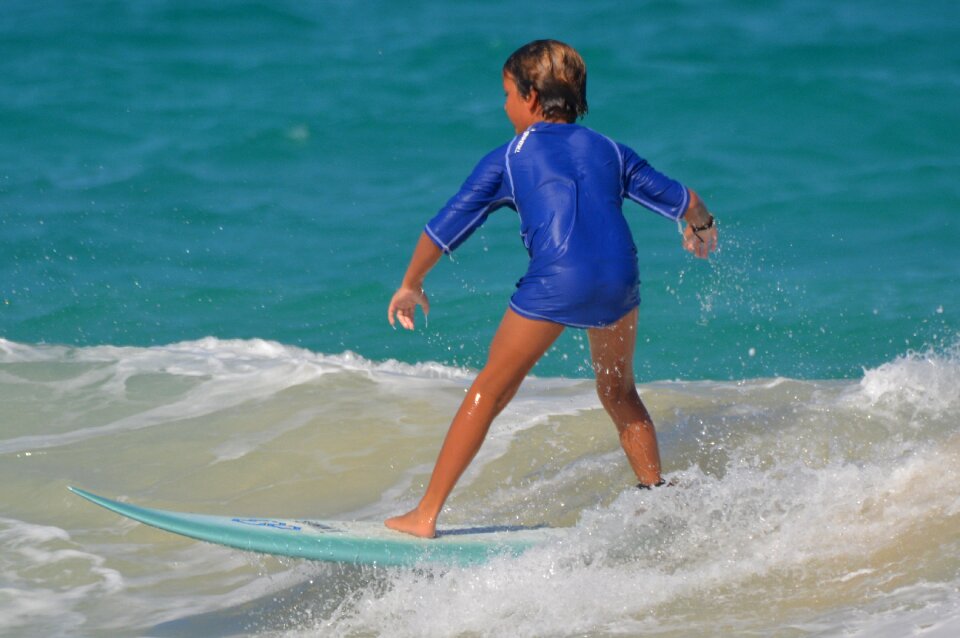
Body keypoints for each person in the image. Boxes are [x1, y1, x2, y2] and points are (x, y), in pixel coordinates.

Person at [385, 40, 717, 538]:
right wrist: (702, 228)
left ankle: (425, 514)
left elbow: (444, 227)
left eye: (507, 94)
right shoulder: (609, 148)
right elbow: (685, 199)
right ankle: (656, 495)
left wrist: (411, 284)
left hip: (559, 278)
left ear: (533, 98)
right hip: (621, 279)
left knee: (489, 391)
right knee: (619, 390)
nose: (503, 106)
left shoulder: (509, 158)